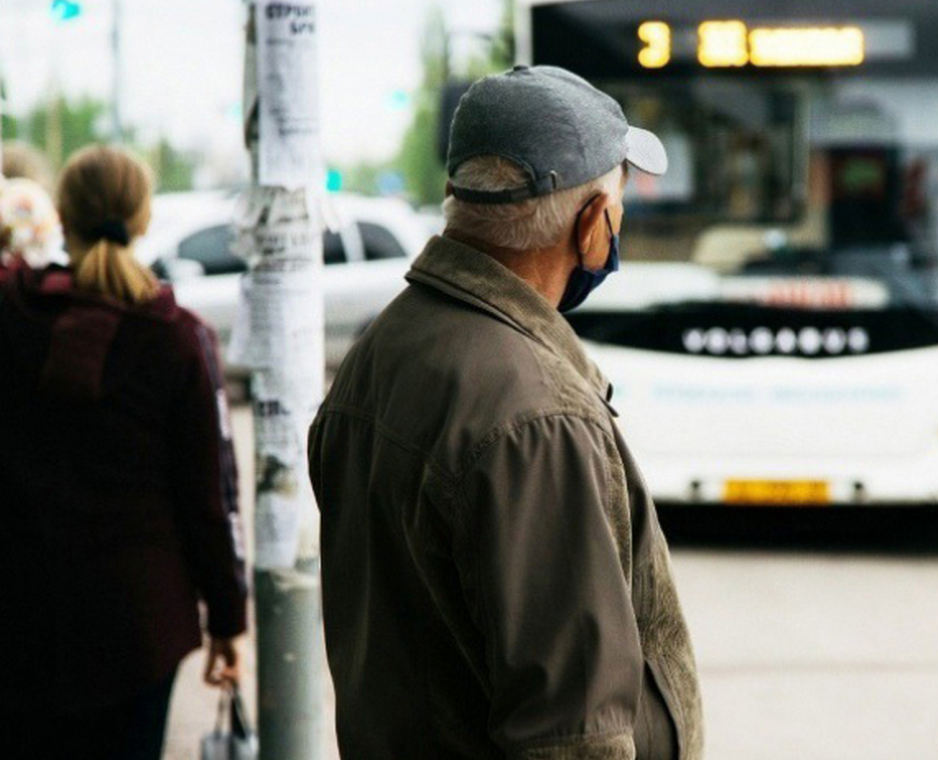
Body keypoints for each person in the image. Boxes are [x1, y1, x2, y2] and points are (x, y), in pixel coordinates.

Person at [309, 65, 704, 759]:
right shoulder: (536, 418)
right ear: (590, 225)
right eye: (617, 206)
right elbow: (573, 733)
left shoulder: (385, 347)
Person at [0, 145, 246, 759]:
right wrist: (227, 620)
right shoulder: (179, 338)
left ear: (62, 216)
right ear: (143, 220)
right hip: (139, 627)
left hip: (23, 612)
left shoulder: (12, 314)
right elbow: (209, 497)